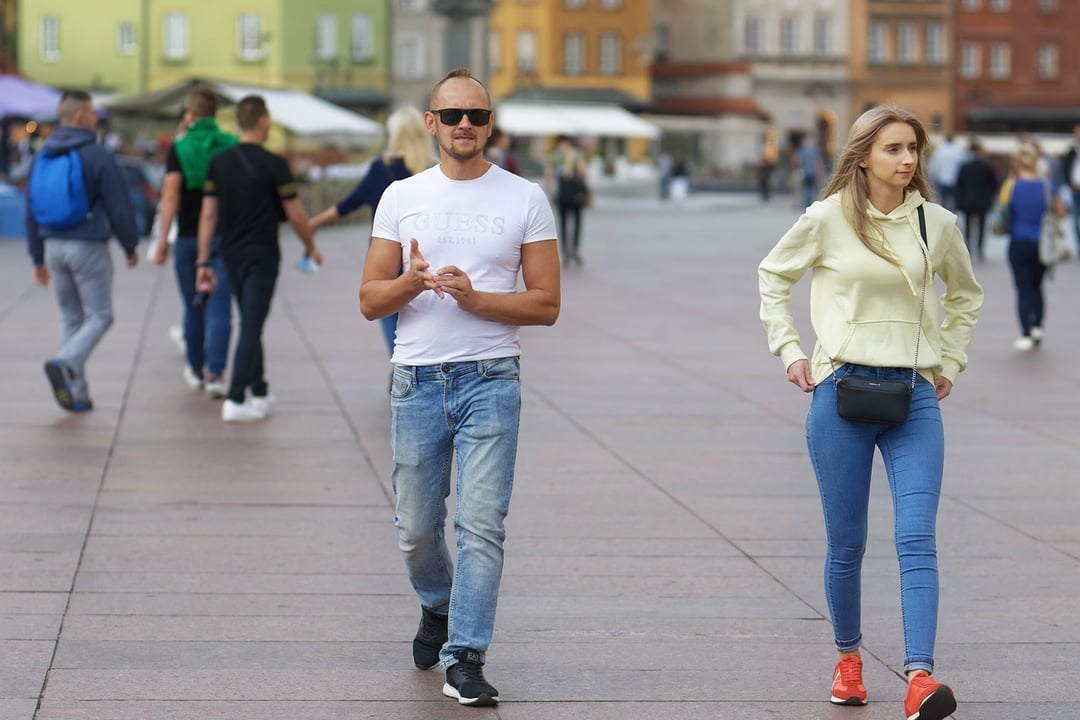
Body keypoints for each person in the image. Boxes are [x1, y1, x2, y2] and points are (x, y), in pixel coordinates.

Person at [758, 105, 982, 720]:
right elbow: (773, 277)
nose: (907, 160)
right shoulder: (826, 219)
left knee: (917, 538)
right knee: (846, 543)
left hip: (913, 399)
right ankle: (849, 660)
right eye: (893, 149)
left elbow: (966, 294)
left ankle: (919, 677)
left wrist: (950, 361)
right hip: (840, 395)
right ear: (862, 156)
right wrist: (791, 351)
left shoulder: (937, 225)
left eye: (913, 149)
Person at [359, 67, 560, 707]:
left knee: (480, 524)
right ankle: (437, 603)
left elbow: (547, 304)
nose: (465, 126)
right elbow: (369, 300)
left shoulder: (525, 198)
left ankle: (465, 655)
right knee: (416, 528)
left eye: (476, 115)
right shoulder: (401, 196)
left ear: (490, 124)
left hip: (490, 378)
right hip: (415, 381)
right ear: (431, 124)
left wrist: (478, 301)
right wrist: (412, 283)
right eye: (452, 116)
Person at [194, 95, 322, 423]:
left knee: (251, 321)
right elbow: (295, 214)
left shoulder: (219, 163)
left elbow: (208, 216)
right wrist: (310, 245)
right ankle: (236, 399)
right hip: (263, 255)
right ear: (263, 122)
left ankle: (260, 390)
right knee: (251, 324)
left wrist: (203, 261)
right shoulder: (274, 164)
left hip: (230, 254)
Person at [26, 90, 140, 412]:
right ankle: (66, 363)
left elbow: (30, 208)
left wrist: (37, 257)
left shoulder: (42, 153)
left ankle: (78, 393)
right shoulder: (96, 153)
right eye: (93, 113)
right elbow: (119, 204)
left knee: (71, 317)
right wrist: (129, 244)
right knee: (101, 315)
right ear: (80, 117)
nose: (96, 118)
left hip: (52, 246)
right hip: (87, 245)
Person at [309, 107, 438, 355]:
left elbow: (350, 203)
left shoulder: (382, 168)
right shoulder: (435, 170)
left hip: (387, 258)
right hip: (425, 257)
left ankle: (400, 361)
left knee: (389, 312)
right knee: (425, 313)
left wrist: (314, 223)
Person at [153, 85, 236, 397]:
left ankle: (195, 368)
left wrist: (162, 239)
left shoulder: (180, 147)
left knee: (193, 305)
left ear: (189, 114)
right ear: (213, 114)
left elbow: (171, 194)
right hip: (224, 235)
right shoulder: (229, 144)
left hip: (189, 236)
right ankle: (216, 372)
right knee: (220, 306)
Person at [999, 144, 1065, 351]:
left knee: (1023, 288)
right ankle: (1037, 325)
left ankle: (1026, 332)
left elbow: (1001, 212)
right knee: (1037, 287)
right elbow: (1061, 213)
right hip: (1043, 244)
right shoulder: (1048, 185)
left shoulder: (1011, 185)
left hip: (1018, 242)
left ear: (1017, 164)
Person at [545, 134, 588, 266]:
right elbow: (583, 172)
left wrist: (551, 191)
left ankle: (565, 253)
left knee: (563, 224)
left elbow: (548, 175)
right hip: (575, 194)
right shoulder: (576, 154)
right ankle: (575, 250)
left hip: (561, 194)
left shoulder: (555, 155)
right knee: (577, 223)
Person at [953, 140, 998, 261]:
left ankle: (967, 247)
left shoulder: (964, 167)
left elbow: (959, 184)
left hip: (967, 199)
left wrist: (959, 200)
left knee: (968, 225)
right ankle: (980, 249)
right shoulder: (987, 167)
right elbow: (993, 184)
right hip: (982, 200)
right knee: (982, 225)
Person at [927, 134, 965, 210]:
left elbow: (935, 165)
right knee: (953, 203)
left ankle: (944, 218)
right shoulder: (957, 151)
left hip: (942, 180)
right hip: (955, 180)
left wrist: (932, 177)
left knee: (943, 202)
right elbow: (962, 165)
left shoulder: (940, 151)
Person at [796, 135, 825, 209]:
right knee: (811, 188)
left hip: (807, 172)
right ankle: (810, 203)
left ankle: (807, 203)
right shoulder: (814, 150)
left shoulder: (802, 150)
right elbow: (817, 162)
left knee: (807, 188)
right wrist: (819, 172)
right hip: (811, 172)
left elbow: (797, 161)